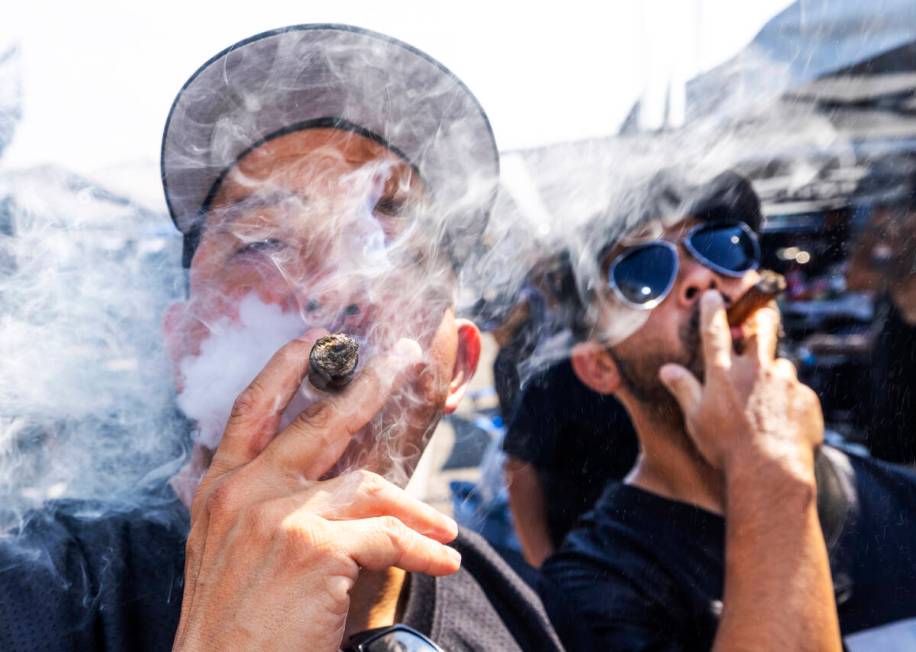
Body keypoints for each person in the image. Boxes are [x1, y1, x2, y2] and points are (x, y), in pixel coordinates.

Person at [0, 25, 564, 651]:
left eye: (394, 250)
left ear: (458, 363)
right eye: (264, 243)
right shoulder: (35, 598)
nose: (332, 288)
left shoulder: (507, 617)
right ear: (183, 348)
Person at [540, 171, 916, 650]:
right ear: (598, 366)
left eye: (722, 245)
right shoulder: (596, 588)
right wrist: (765, 462)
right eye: (643, 271)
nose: (701, 277)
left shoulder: (905, 504)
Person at [503, 359, 638, 567]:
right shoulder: (559, 373)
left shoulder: (677, 364)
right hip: (583, 558)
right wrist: (545, 564)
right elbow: (520, 466)